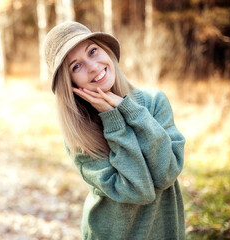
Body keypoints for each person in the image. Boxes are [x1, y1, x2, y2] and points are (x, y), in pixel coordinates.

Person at [42, 21, 186, 239]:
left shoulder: (154, 103)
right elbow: (139, 190)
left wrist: (129, 110)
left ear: (105, 50)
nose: (92, 66)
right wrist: (112, 119)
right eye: (76, 66)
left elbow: (167, 173)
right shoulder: (80, 137)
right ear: (69, 83)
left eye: (93, 51)